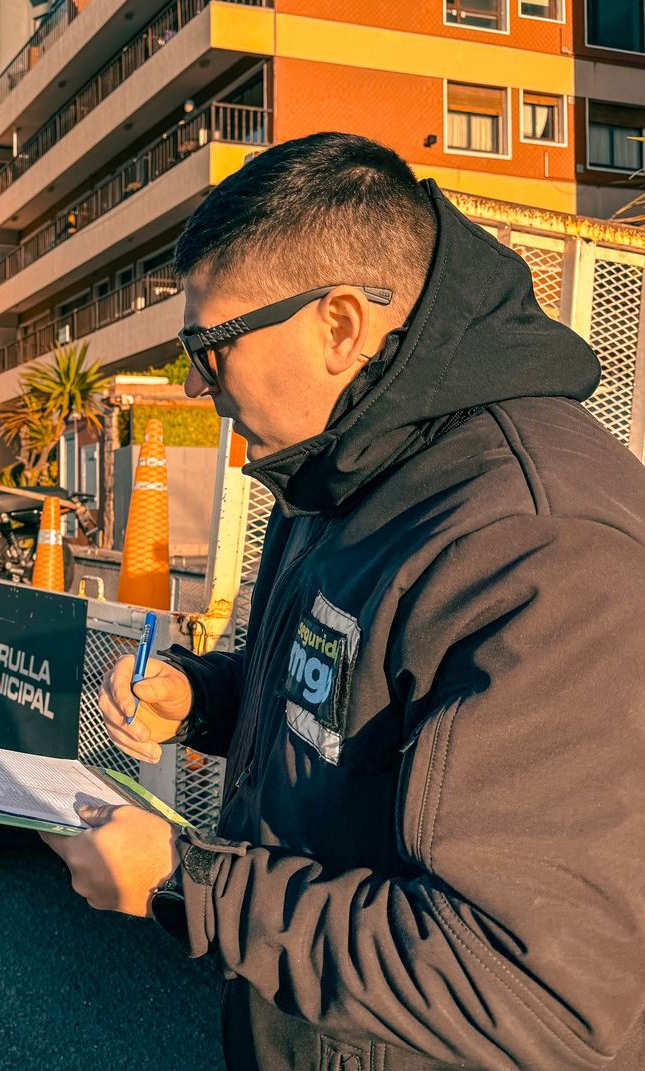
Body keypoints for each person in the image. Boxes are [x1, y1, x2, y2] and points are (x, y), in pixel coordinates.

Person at [42, 132, 645, 1070]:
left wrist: (185, 886)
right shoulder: (338, 473)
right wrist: (203, 698)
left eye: (209, 348)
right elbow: (353, 701)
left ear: (338, 326)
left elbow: (534, 987)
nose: (198, 387)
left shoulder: (536, 542)